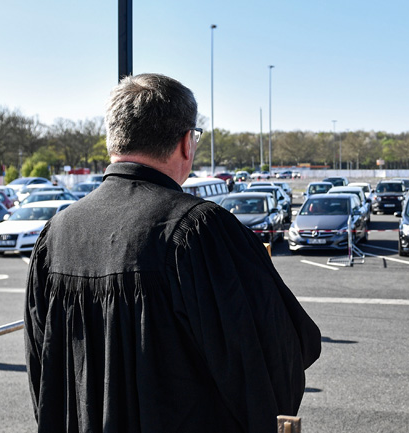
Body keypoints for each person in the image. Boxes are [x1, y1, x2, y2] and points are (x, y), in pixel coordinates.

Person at [24, 74, 321, 432]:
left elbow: (42, 375)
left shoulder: (54, 236)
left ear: (111, 141)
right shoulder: (200, 231)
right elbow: (275, 365)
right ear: (185, 143)